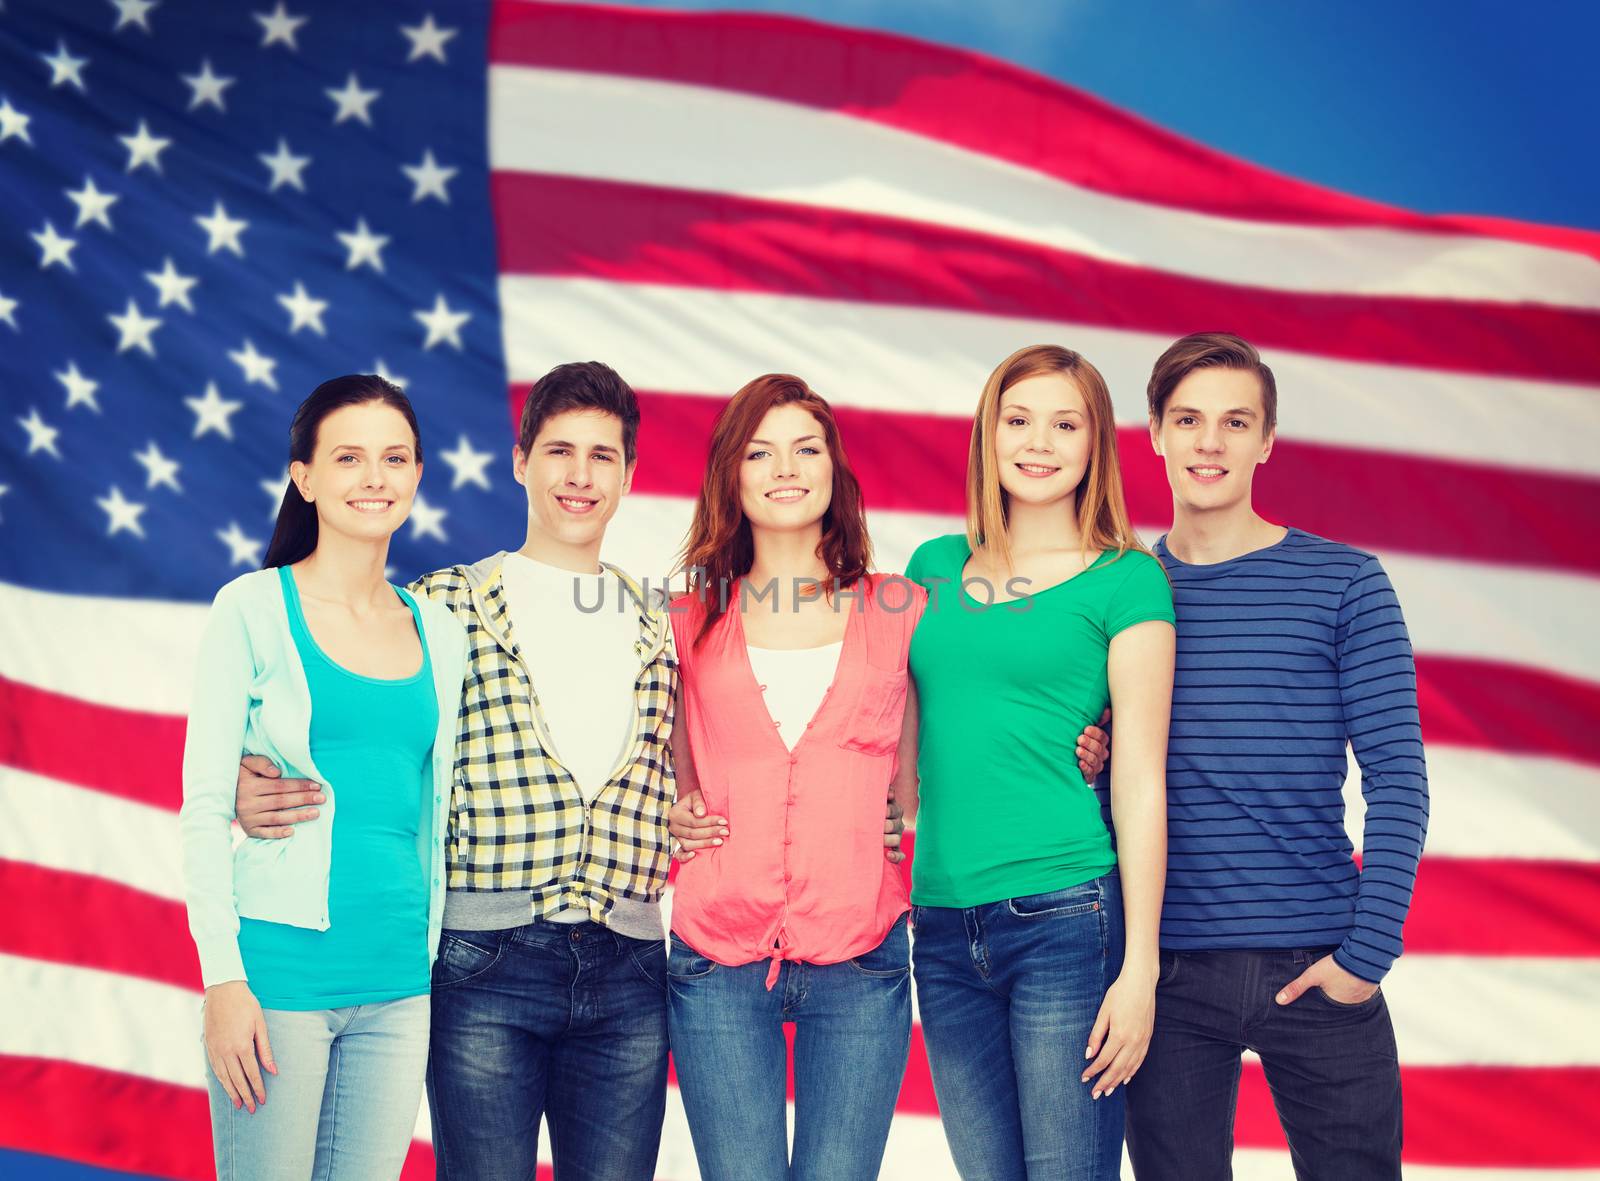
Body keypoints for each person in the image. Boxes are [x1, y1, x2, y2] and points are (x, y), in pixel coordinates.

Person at [232, 363, 677, 1181]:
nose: (579, 476)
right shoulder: (444, 606)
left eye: (603, 457)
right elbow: (358, 724)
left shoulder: (665, 621)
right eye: (558, 451)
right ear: (519, 461)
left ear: (629, 474)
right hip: (485, 957)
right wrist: (242, 779)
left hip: (630, 964)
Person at [1123, 333, 1428, 1181]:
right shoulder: (1118, 592)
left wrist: (1366, 956)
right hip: (1167, 974)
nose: (1209, 442)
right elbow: (1109, 771)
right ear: (1155, 431)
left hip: (1320, 965)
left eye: (1234, 421)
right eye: (1187, 419)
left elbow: (1399, 781)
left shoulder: (1346, 583)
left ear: (1266, 440)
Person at [179, 375, 468, 1180]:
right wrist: (224, 983)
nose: (374, 477)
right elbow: (203, 807)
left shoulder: (441, 631)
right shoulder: (250, 608)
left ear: (416, 475)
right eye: (349, 457)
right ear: (304, 477)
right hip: (279, 977)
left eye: (394, 457)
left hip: (401, 982)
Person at [905, 344, 1175, 1181]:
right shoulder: (931, 568)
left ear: (1097, 444)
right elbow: (889, 742)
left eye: (1066, 424)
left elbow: (1137, 777)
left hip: (1066, 915)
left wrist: (1140, 969)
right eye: (1018, 420)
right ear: (989, 434)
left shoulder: (1128, 580)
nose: (1039, 442)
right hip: (942, 925)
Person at [663, 374, 925, 1181]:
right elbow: (658, 761)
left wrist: (1093, 738)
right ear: (731, 477)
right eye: (760, 450)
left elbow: (972, 732)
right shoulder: (684, 618)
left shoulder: (903, 609)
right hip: (716, 959)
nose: (786, 467)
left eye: (806, 448)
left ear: (834, 470)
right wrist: (673, 807)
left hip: (862, 953)